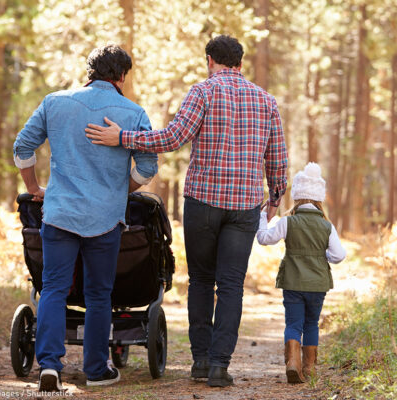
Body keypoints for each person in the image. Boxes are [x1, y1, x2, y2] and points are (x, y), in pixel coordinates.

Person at [85, 35, 288, 387]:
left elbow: (173, 137)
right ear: (240, 62)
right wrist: (274, 199)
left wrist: (123, 138)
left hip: (203, 203)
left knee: (201, 281)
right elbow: (278, 159)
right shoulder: (266, 101)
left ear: (211, 60)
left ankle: (201, 362)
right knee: (231, 286)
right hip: (244, 207)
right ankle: (220, 367)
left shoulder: (203, 92)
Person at [13, 45, 158, 391]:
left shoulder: (54, 102)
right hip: (105, 219)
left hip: (60, 213)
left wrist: (35, 187)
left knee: (52, 289)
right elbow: (148, 168)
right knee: (98, 295)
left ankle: (49, 366)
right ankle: (96, 370)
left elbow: (22, 147)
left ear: (89, 71)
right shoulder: (134, 112)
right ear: (121, 76)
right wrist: (118, 193)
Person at [256, 162, 346, 383]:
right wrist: (320, 256)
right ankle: (310, 369)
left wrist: (261, 218)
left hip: (293, 283)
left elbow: (263, 239)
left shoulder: (288, 222)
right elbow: (339, 255)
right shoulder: (327, 226)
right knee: (311, 324)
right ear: (318, 199)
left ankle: (293, 363)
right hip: (318, 285)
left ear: (297, 196)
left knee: (293, 324)